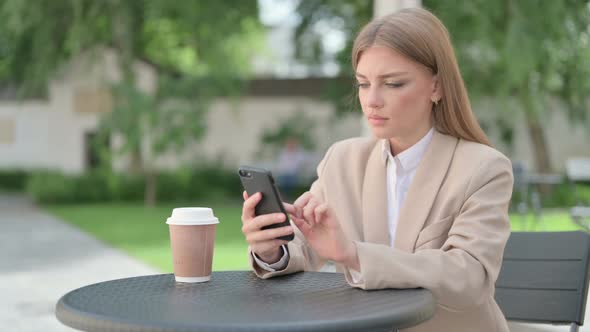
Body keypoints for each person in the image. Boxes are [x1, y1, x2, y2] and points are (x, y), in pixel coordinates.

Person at [240, 7, 513, 332]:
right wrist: (272, 249)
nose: (372, 100)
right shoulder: (342, 160)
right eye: (363, 84)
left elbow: (469, 278)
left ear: (437, 87)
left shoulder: (483, 168)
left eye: (393, 84)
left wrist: (354, 255)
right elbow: (304, 244)